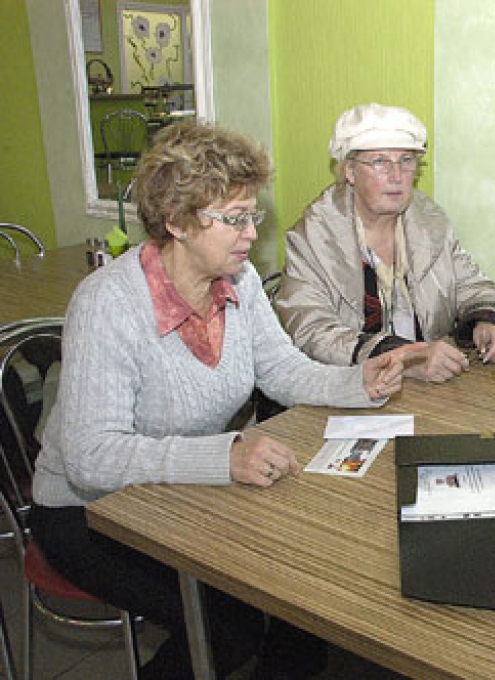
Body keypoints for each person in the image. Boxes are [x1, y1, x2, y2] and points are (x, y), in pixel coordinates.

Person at [28, 121, 409, 680]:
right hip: (87, 511)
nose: (251, 234)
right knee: (227, 628)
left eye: (252, 215)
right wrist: (222, 457)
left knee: (296, 600)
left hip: (185, 489)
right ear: (178, 222)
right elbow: (91, 456)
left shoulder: (241, 280)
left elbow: (280, 369)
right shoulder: (108, 302)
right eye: (234, 218)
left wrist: (360, 383)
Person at [274, 102, 495, 384]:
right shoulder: (313, 236)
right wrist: (404, 359)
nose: (396, 176)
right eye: (379, 162)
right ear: (349, 171)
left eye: (406, 161)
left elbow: (472, 287)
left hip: (430, 390)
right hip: (348, 391)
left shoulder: (431, 224)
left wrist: (487, 321)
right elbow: (311, 329)